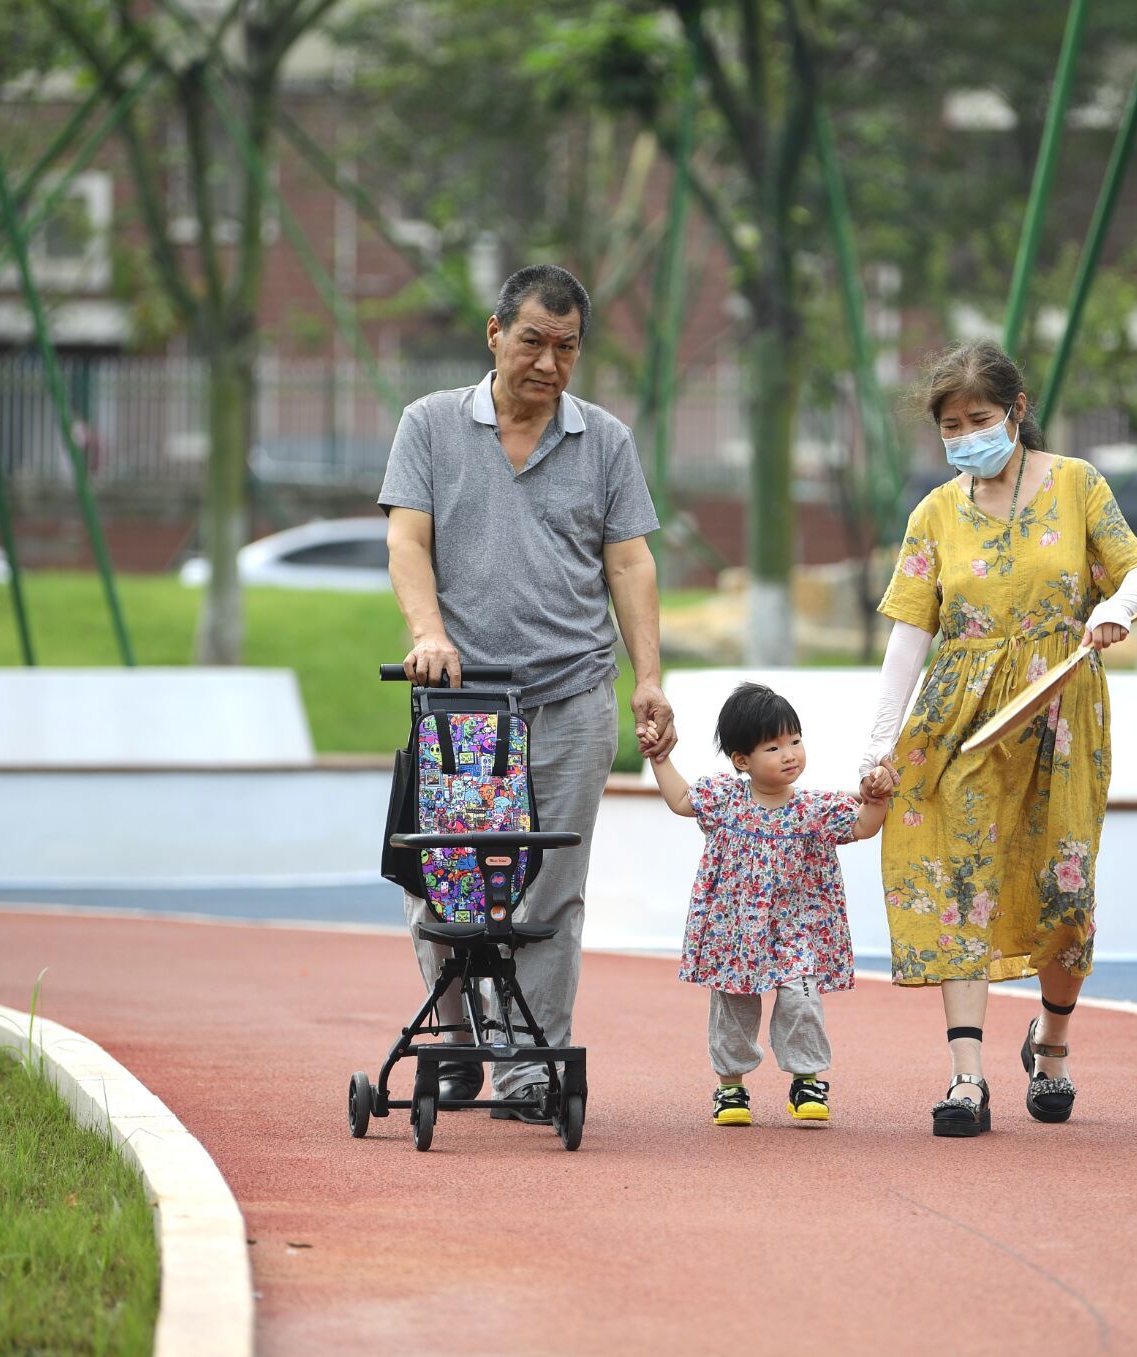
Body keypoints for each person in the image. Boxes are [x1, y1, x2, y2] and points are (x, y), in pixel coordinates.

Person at [378, 263, 677, 1116]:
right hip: (465, 704)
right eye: (534, 341)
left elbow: (630, 561)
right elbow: (408, 541)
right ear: (495, 333)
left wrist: (649, 677)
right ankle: (459, 1041)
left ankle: (528, 1066)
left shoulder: (605, 441)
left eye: (568, 347)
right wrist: (427, 632)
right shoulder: (430, 425)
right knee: (447, 876)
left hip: (573, 692)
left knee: (551, 884)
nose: (548, 363)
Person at [857, 341, 1137, 1138]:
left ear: (1017, 411)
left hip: (1059, 712)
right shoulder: (935, 514)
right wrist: (878, 746)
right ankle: (966, 1080)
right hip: (962, 726)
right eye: (951, 426)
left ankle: (1051, 1044)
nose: (966, 436)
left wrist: (1115, 610)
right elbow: (907, 640)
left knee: (1066, 889)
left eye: (980, 419)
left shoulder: (1077, 485)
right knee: (963, 881)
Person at [643, 683, 891, 1127]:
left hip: (798, 925)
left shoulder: (816, 808)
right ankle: (731, 1086)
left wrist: (876, 801)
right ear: (742, 761)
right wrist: (660, 759)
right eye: (773, 746)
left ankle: (806, 1079)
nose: (790, 753)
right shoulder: (726, 800)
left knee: (801, 996)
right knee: (734, 1005)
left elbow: (862, 828)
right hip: (736, 926)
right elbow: (682, 801)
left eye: (795, 741)